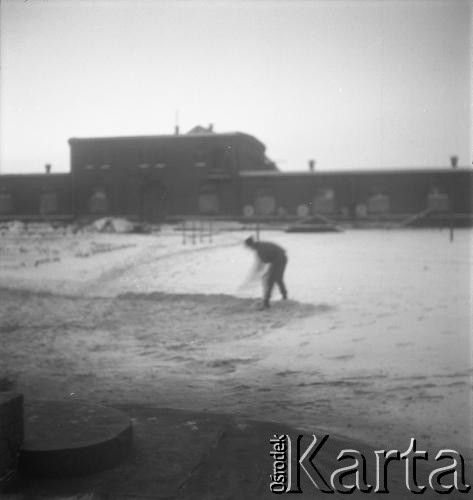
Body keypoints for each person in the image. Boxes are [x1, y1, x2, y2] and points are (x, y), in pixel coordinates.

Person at [243, 236, 288, 309]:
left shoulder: (260, 249)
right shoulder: (259, 247)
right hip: (278, 259)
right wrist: (255, 274)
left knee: (271, 279)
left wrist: (255, 274)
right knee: (277, 278)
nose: (249, 249)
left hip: (279, 259)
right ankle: (284, 297)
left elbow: (263, 263)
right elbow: (261, 263)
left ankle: (266, 302)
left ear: (251, 245)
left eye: (248, 247)